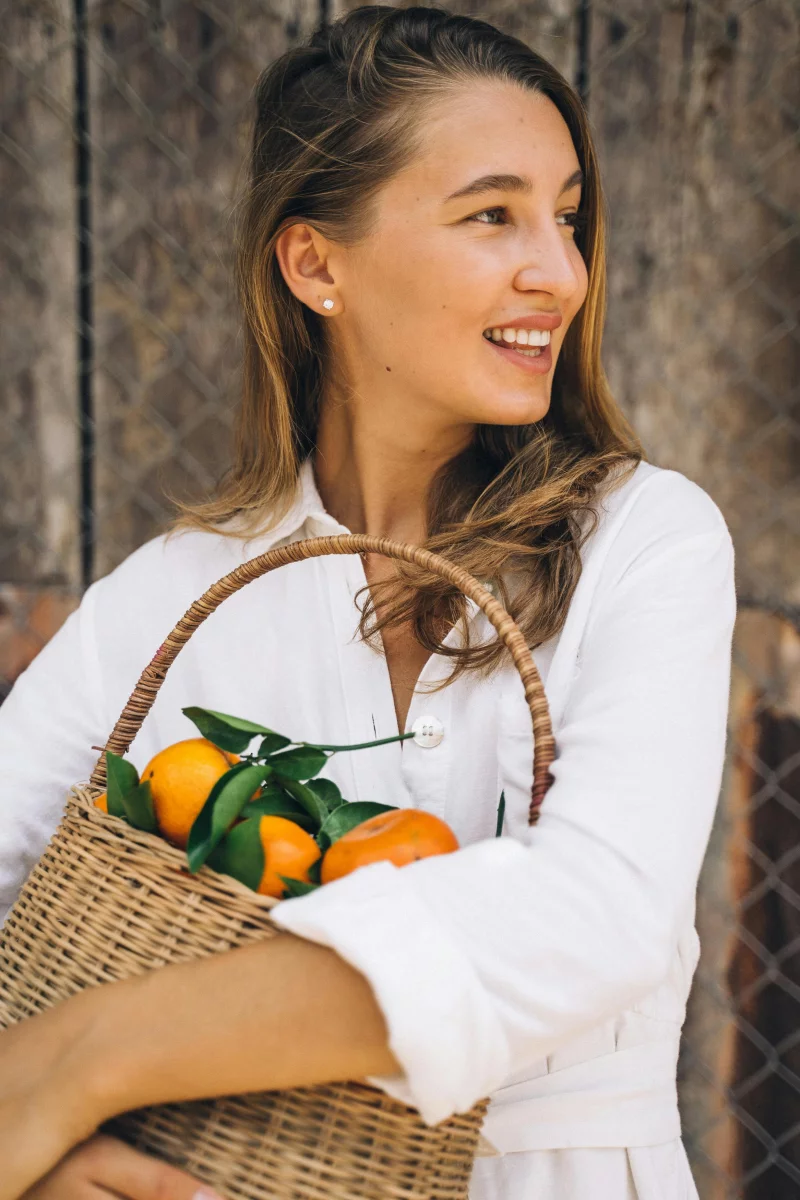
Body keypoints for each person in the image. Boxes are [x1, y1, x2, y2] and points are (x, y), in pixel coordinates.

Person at [0, 5, 736, 1198]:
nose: (557, 269)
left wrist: (79, 1063)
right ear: (315, 264)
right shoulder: (173, 595)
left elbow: (598, 912)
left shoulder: (646, 541)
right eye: (490, 213)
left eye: (564, 215)